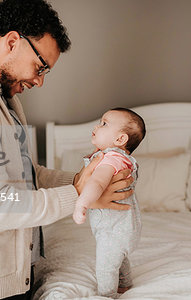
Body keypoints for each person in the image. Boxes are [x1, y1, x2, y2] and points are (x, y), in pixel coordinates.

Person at [0, 0, 134, 299]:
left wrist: (83, 180)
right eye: (40, 66)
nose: (40, 81)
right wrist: (81, 195)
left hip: (6, 276)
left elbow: (25, 174)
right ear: (12, 41)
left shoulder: (0, 94)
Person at [72, 107, 146, 298]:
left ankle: (107, 295)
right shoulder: (119, 158)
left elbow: (97, 182)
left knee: (105, 266)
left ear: (120, 139)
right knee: (118, 257)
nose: (97, 126)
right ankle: (125, 284)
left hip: (114, 230)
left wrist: (82, 203)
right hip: (124, 229)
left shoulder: (112, 159)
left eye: (104, 123)